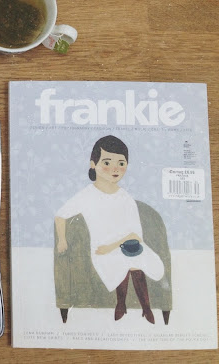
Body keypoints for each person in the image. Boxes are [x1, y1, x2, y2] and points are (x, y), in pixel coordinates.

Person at [54, 135, 164, 323]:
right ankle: (121, 304)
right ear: (93, 164)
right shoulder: (86, 195)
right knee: (119, 263)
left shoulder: (125, 198)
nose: (115, 169)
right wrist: (62, 240)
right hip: (101, 249)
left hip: (127, 245)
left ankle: (146, 308)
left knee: (135, 262)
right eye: (107, 162)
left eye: (121, 163)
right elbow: (60, 215)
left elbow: (135, 234)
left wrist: (114, 246)